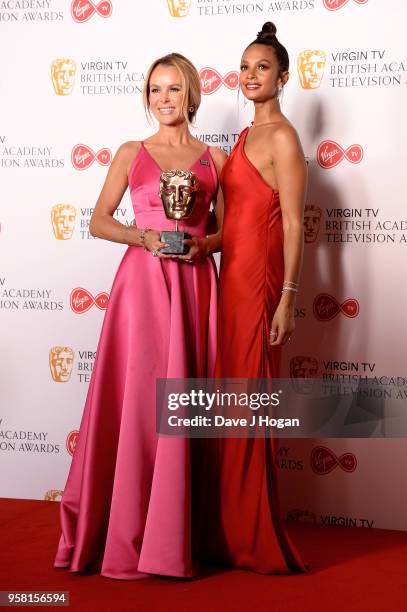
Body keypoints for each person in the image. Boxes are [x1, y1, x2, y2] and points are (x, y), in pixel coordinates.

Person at [54, 52, 226, 580]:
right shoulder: (132, 152)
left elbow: (229, 232)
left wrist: (204, 247)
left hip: (194, 284)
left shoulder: (215, 159)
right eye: (155, 90)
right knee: (139, 405)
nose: (164, 99)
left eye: (174, 89)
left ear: (191, 95)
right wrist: (143, 236)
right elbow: (100, 221)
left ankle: (179, 536)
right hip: (143, 286)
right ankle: (127, 534)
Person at [201, 22, 307, 574]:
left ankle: (250, 533)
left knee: (250, 397)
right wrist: (198, 247)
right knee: (229, 398)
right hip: (229, 279)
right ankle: (226, 525)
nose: (250, 76)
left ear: (283, 78)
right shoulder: (241, 140)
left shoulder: (284, 137)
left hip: (262, 284)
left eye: (261, 67)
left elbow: (293, 223)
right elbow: (231, 223)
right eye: (244, 67)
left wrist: (288, 297)